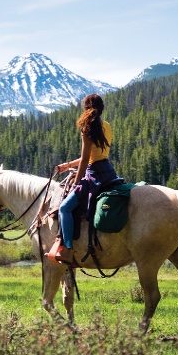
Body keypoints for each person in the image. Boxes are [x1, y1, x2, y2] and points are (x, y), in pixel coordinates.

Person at [54, 94, 119, 263]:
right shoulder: (106, 126)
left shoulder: (87, 128)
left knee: (64, 208)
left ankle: (67, 249)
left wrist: (77, 182)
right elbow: (92, 155)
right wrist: (68, 166)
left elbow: (85, 159)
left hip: (94, 175)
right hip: (108, 172)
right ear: (101, 108)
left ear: (86, 109)